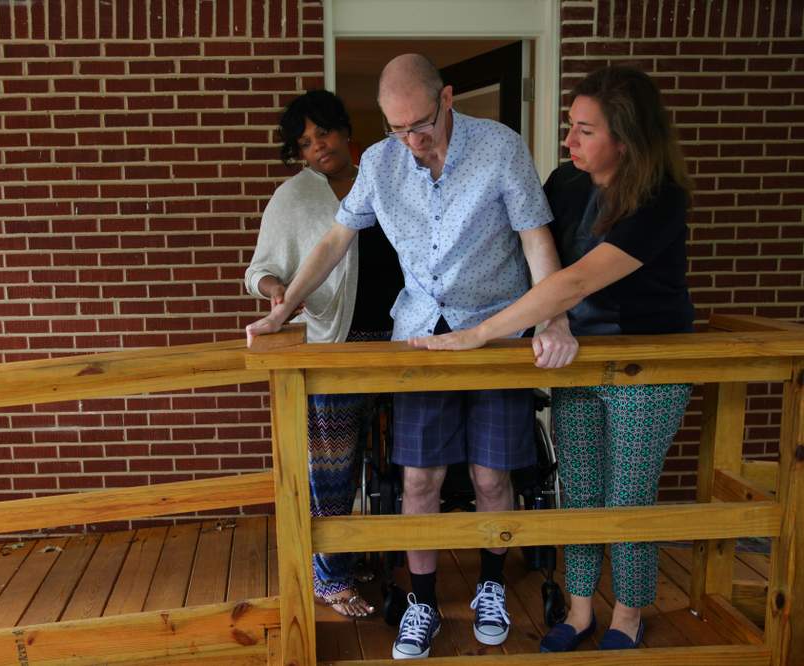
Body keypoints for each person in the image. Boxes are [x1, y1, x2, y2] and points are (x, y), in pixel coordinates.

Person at [247, 55, 576, 659]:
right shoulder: (380, 162)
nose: (411, 139)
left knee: (489, 476)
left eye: (420, 124)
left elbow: (536, 240)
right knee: (420, 479)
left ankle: (491, 587)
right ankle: (422, 600)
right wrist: (283, 308)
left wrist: (553, 317)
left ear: (447, 98)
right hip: (422, 337)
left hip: (495, 335)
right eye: (397, 128)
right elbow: (334, 240)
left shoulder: (501, 148)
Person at [410, 65, 695, 652]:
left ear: (628, 137)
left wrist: (481, 333)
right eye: (570, 127)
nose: (568, 142)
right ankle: (582, 607)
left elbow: (576, 280)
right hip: (572, 358)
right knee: (582, 490)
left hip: (647, 366)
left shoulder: (661, 198)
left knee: (628, 496)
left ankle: (629, 616)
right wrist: (549, 323)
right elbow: (535, 263)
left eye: (584, 130)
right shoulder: (564, 184)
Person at [245, 90, 403, 618]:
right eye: (305, 143)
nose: (317, 148)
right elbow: (260, 268)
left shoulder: (385, 178)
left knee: (399, 460)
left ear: (344, 130)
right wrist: (275, 292)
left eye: (324, 134)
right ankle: (329, 574)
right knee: (333, 463)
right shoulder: (294, 197)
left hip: (403, 335)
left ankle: (369, 551)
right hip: (335, 342)